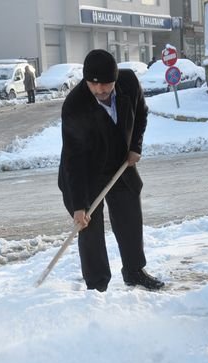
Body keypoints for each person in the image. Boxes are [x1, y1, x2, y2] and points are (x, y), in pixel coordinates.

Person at [57, 49, 164, 292]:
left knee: (129, 217)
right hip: (86, 171)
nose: (101, 90)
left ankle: (134, 271)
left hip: (120, 163)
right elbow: (74, 159)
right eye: (94, 85)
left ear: (116, 79)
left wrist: (135, 146)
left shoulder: (128, 83)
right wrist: (79, 206)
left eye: (106, 84)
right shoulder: (75, 106)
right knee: (89, 227)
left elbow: (141, 115)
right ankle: (97, 286)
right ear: (86, 82)